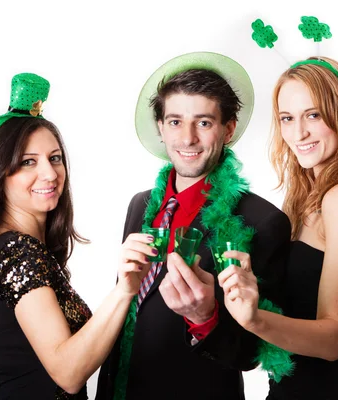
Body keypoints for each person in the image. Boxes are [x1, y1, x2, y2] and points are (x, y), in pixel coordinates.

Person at [0, 73, 155, 400]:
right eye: (27, 162)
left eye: (55, 158)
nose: (49, 174)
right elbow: (69, 373)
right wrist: (125, 291)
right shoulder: (16, 253)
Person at [96, 52, 293, 400]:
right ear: (160, 127)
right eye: (174, 122)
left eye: (203, 122)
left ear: (228, 129)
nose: (187, 139)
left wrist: (205, 316)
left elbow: (251, 353)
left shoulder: (263, 222)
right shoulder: (139, 206)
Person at [218, 57, 338, 399]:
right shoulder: (304, 196)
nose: (299, 133)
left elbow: (335, 340)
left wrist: (254, 319)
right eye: (287, 119)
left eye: (314, 115)